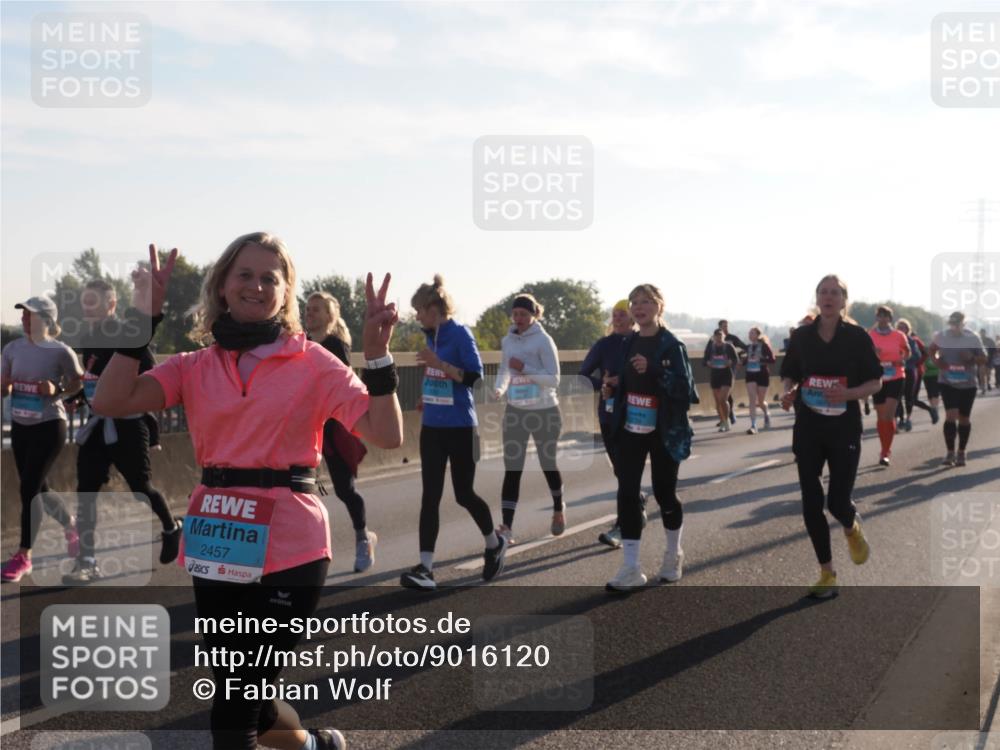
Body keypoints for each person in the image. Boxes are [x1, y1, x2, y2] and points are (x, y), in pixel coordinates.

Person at [93, 237, 403, 750]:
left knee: (236, 701)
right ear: (222, 286)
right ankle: (312, 745)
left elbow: (387, 433)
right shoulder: (194, 365)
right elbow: (110, 399)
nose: (255, 286)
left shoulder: (314, 362)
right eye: (244, 275)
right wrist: (141, 321)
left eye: (269, 278)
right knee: (247, 693)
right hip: (218, 536)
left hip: (292, 544)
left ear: (285, 293)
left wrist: (377, 355)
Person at [63, 279, 182, 584]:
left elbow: (151, 374)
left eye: (94, 301)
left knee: (141, 488)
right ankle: (86, 561)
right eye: (85, 301)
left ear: (112, 304)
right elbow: (96, 380)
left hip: (129, 425)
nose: (88, 307)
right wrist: (80, 398)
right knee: (86, 492)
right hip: (97, 425)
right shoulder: (89, 337)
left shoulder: (126, 334)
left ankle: (171, 528)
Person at [399, 275, 507, 590]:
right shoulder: (430, 337)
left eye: (419, 310)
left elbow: (475, 379)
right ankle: (425, 568)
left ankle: (494, 543)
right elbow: (439, 376)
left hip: (461, 428)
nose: (416, 316)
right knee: (430, 496)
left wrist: (439, 363)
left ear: (433, 309)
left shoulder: (460, 334)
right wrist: (428, 396)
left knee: (464, 494)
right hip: (432, 428)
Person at [780, 275, 882, 599]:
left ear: (843, 300)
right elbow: (790, 373)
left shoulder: (856, 336)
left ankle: (851, 526)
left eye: (834, 293)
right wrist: (788, 392)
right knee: (811, 503)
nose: (828, 297)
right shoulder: (802, 336)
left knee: (837, 502)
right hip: (808, 427)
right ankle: (827, 573)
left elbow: (876, 381)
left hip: (844, 428)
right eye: (823, 292)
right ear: (817, 298)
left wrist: (848, 393)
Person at [604, 284, 697, 591]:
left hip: (665, 430)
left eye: (645, 301)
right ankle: (631, 567)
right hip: (632, 427)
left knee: (664, 493)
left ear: (659, 306)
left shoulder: (671, 345)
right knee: (627, 492)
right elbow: (627, 380)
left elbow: (685, 390)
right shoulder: (629, 342)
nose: (639, 307)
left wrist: (655, 369)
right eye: (634, 302)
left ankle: (673, 554)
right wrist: (612, 386)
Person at [1, 295, 83, 583]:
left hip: (49, 426)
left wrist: (56, 389)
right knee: (39, 487)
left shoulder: (60, 351)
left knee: (29, 488)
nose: (24, 319)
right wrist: (4, 387)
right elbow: (3, 388)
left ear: (46, 320)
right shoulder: (11, 349)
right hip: (21, 425)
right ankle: (70, 524)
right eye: (23, 314)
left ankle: (24, 555)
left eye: (30, 315)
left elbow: (78, 383)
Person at [304, 291, 377, 574]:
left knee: (345, 490)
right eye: (308, 308)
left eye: (316, 309)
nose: (310, 312)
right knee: (294, 489)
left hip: (334, 429)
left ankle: (363, 538)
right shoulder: (300, 343)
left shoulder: (335, 346)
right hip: (304, 426)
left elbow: (342, 385)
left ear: (329, 316)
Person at [493, 293, 564, 541]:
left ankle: (558, 508)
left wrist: (525, 368)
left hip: (545, 411)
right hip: (516, 411)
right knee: (512, 469)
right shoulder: (508, 341)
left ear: (534, 315)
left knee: (547, 463)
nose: (519, 318)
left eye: (523, 314)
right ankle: (507, 527)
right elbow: (504, 370)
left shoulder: (544, 341)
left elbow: (554, 379)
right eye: (515, 314)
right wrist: (499, 388)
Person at [579, 299, 639, 549]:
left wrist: (620, 381)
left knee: (626, 472)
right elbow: (582, 376)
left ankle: (622, 526)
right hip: (608, 414)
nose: (617, 318)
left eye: (622, 314)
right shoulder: (604, 344)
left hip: (635, 414)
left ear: (632, 318)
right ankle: (637, 501)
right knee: (620, 471)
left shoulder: (641, 342)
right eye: (614, 314)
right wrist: (602, 384)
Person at [929, 312, 987, 467]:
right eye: (951, 324)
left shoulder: (972, 338)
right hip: (947, 382)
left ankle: (961, 451)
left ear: (963, 324)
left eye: (957, 324)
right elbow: (931, 349)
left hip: (968, 384)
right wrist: (937, 361)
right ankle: (950, 452)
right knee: (951, 415)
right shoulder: (942, 336)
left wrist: (971, 358)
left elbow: (983, 359)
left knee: (964, 418)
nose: (953, 327)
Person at [868, 305, 910, 466]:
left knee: (889, 414)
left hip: (896, 376)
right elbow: (864, 355)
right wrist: (874, 355)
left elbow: (907, 352)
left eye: (886, 316)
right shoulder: (870, 335)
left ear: (890, 319)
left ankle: (886, 452)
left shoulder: (898, 335)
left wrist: (902, 359)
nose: (883, 318)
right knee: (881, 416)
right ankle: (883, 447)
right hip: (878, 377)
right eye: (880, 315)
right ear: (876, 318)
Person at [894, 319, 935, 431]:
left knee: (910, 398)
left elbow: (918, 355)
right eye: (899, 327)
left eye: (903, 327)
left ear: (908, 329)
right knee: (897, 397)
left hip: (910, 371)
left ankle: (908, 419)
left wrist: (910, 361)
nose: (901, 329)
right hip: (896, 372)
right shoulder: (893, 339)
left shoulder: (912, 341)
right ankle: (901, 419)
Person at [703, 329, 739, 432]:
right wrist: (708, 363)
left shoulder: (728, 346)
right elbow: (704, 360)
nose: (719, 337)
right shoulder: (711, 347)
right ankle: (722, 421)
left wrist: (730, 362)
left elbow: (736, 360)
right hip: (715, 375)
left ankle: (727, 420)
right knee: (718, 401)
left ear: (723, 336)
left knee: (723, 399)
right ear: (714, 337)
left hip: (726, 374)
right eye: (717, 335)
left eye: (720, 335)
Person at [742, 326, 775, 434]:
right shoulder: (748, 347)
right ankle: (753, 425)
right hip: (750, 374)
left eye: (752, 333)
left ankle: (766, 413)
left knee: (760, 402)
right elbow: (746, 359)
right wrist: (741, 362)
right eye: (749, 333)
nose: (750, 335)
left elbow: (772, 359)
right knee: (752, 399)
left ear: (757, 335)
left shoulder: (764, 346)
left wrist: (760, 359)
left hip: (762, 374)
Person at [719, 319, 747, 425]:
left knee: (728, 392)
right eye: (723, 326)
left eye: (727, 326)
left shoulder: (732, 338)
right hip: (719, 369)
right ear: (719, 327)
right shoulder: (715, 338)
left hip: (731, 368)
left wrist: (739, 359)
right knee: (721, 393)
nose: (725, 328)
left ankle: (730, 415)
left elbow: (746, 348)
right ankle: (724, 417)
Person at [979, 328, 996, 393]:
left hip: (989, 360)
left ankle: (988, 383)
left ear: (985, 333)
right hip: (981, 361)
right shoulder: (978, 340)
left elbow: (994, 349)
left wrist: (991, 357)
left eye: (983, 333)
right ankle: (983, 388)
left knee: (988, 374)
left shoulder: (990, 340)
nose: (982, 334)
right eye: (981, 333)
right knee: (981, 374)